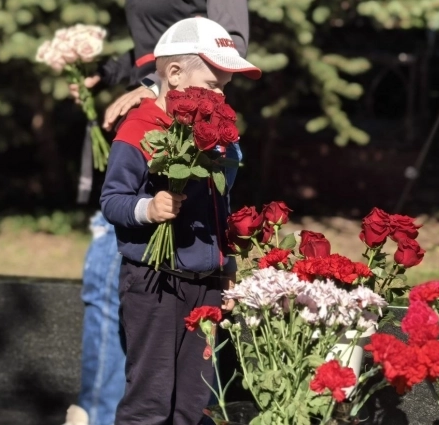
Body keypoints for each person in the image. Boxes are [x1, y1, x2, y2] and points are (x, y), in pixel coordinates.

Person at [65, 2, 250, 425]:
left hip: (206, 284)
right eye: (212, 84)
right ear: (174, 76)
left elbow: (220, 206)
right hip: (155, 283)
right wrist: (148, 208)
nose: (220, 95)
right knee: (149, 399)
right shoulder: (140, 128)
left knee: (194, 403)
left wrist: (227, 260)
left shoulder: (217, 136)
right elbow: (113, 200)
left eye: (225, 87)